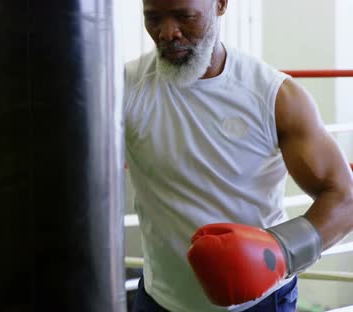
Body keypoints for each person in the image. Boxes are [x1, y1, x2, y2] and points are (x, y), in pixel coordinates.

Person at [124, 0, 353, 311]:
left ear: (220, 4)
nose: (168, 33)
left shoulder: (274, 96)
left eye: (184, 17)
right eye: (153, 19)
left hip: (261, 301)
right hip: (160, 300)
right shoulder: (125, 88)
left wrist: (279, 254)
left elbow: (344, 197)